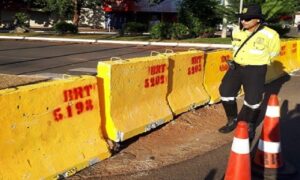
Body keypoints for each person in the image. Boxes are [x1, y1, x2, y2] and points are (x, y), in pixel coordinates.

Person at [218, 4, 281, 141]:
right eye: (242, 18)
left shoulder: (270, 35)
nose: (243, 21)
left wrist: (259, 61)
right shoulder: (236, 31)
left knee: (253, 100)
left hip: (255, 69)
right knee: (225, 92)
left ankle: (250, 124)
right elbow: (234, 47)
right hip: (236, 67)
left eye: (247, 19)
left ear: (258, 20)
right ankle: (232, 120)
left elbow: (274, 52)